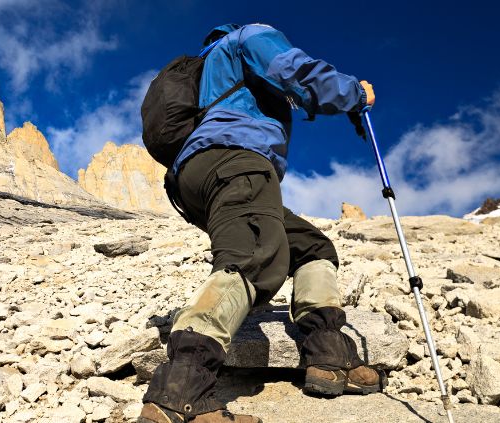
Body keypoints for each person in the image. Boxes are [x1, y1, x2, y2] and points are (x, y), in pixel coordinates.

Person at [138, 23, 382, 423]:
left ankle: (329, 354)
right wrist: (355, 93)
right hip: (236, 158)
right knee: (254, 255)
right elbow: (297, 73)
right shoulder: (249, 37)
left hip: (199, 175)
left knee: (311, 247)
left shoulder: (209, 68)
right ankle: (179, 393)